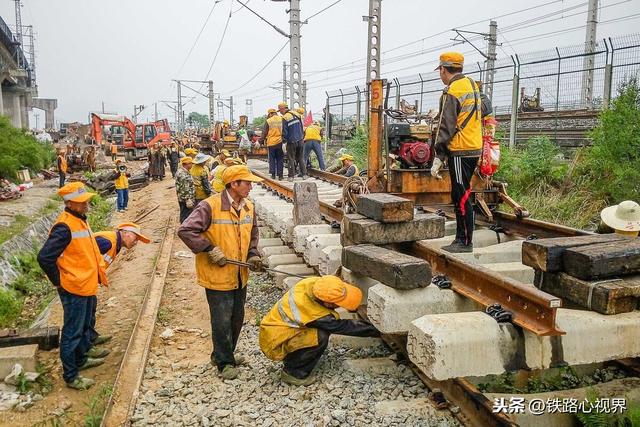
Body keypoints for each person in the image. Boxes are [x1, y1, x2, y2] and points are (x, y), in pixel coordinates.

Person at [178, 165, 264, 380]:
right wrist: (209, 248)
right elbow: (186, 230)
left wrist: (253, 255)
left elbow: (252, 234)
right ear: (234, 184)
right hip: (217, 276)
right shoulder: (209, 206)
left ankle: (225, 354)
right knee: (221, 319)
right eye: (247, 182)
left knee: (237, 318)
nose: (251, 187)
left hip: (239, 275)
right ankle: (224, 362)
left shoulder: (248, 207)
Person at [37, 182, 108, 390]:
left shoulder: (79, 220)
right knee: (72, 332)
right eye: (81, 201)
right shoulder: (64, 226)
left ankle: (81, 358)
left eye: (86, 199)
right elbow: (44, 257)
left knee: (84, 325)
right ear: (70, 204)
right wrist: (59, 282)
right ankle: (71, 375)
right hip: (73, 287)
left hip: (84, 283)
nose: (86, 203)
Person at [260, 275, 379, 386]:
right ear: (327, 304)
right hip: (275, 342)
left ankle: (296, 358)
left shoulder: (314, 284)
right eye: (338, 304)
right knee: (320, 336)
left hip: (279, 329)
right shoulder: (314, 314)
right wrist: (377, 330)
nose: (340, 306)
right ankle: (293, 373)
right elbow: (344, 326)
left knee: (319, 333)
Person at [431, 52, 482, 253]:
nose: (440, 75)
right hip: (473, 146)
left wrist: (438, 156)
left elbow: (446, 126)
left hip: (460, 149)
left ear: (443, 69)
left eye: (440, 71)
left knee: (461, 195)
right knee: (460, 193)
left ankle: (465, 241)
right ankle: (460, 238)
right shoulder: (471, 84)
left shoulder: (452, 91)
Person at [91, 223, 150, 356]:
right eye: (135, 239)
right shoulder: (107, 242)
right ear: (126, 233)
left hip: (88, 282)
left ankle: (91, 337)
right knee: (81, 316)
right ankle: (83, 351)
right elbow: (80, 256)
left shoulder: (115, 244)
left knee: (90, 309)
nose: (136, 243)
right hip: (79, 282)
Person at [279, 102, 306, 181]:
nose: (280, 112)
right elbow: (302, 127)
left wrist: (284, 142)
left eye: (280, 110)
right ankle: (304, 174)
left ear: (283, 109)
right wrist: (301, 137)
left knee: (291, 158)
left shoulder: (285, 117)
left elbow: (285, 131)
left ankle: (291, 176)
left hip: (291, 141)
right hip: (300, 140)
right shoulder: (297, 114)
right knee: (300, 157)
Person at [260, 108, 285, 180]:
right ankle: (280, 175)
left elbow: (264, 133)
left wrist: (260, 142)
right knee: (280, 159)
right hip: (280, 142)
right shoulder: (282, 119)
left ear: (270, 114)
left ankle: (273, 174)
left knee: (272, 159)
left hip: (271, 143)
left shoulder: (268, 121)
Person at [175, 156, 197, 223]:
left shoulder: (184, 171)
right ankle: (184, 229)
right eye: (190, 163)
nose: (192, 165)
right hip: (185, 199)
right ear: (186, 164)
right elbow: (185, 188)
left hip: (183, 198)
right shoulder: (183, 174)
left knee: (185, 214)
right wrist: (188, 199)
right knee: (186, 215)